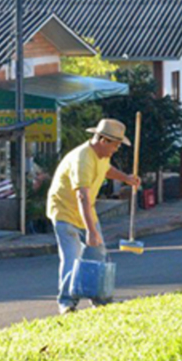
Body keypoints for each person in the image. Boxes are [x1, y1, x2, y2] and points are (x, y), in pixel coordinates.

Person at [46, 118, 140, 315]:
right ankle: (67, 303)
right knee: (72, 258)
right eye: (115, 145)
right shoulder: (83, 159)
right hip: (64, 212)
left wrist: (127, 179)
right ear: (103, 140)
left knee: (98, 256)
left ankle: (100, 300)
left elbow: (107, 170)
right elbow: (82, 196)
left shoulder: (101, 156)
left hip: (86, 212)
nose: (116, 149)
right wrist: (90, 231)